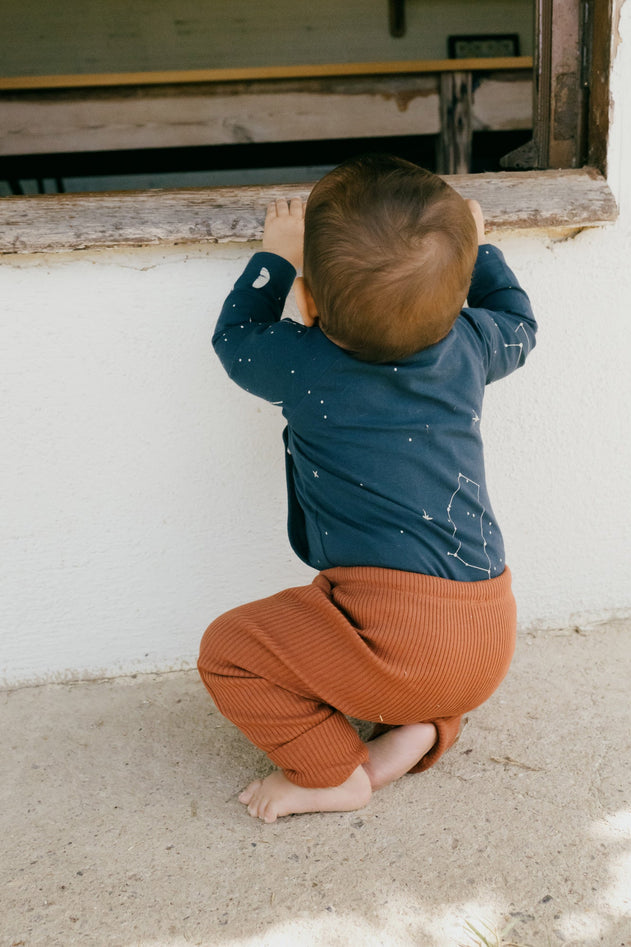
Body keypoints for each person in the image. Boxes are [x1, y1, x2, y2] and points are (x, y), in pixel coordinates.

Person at [198, 154, 537, 823]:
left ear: (308, 305)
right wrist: (480, 252)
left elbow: (235, 338)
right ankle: (422, 728)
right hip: (488, 640)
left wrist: (274, 258)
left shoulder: (303, 361)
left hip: (401, 645)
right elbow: (519, 322)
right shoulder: (472, 344)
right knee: (405, 659)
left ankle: (332, 774)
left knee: (229, 651)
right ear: (458, 297)